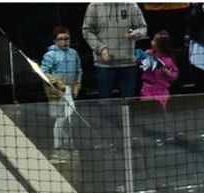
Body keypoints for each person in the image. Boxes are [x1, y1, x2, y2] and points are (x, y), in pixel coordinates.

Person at [82, 1, 148, 100]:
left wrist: (135, 34)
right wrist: (101, 48)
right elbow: (87, 31)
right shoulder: (94, 6)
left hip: (128, 64)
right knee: (105, 102)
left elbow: (143, 28)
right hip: (104, 65)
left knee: (128, 103)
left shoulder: (131, 5)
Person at [40, 24, 83, 159]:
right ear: (55, 40)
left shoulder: (73, 53)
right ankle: (58, 148)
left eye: (67, 38)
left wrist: (77, 84)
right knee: (60, 120)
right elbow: (44, 72)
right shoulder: (50, 55)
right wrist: (58, 84)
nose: (64, 41)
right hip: (57, 94)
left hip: (70, 92)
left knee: (70, 120)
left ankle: (69, 146)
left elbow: (79, 70)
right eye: (61, 39)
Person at [137, 30, 179, 105]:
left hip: (162, 91)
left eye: (154, 41)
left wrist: (168, 74)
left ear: (161, 45)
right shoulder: (148, 54)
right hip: (147, 89)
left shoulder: (168, 60)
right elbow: (139, 61)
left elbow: (175, 74)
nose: (151, 42)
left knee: (161, 111)